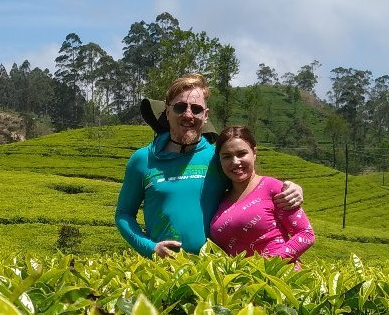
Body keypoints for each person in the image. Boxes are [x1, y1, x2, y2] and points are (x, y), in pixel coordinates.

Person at [115, 73, 303, 258]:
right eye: (180, 107)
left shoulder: (218, 157)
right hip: (163, 270)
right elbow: (124, 214)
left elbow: (253, 186)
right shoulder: (143, 159)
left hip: (214, 271)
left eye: (196, 109)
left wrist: (291, 188)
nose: (188, 114)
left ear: (205, 115)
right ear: (167, 111)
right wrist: (150, 248)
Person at [209, 125, 314, 262]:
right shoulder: (221, 198)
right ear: (220, 160)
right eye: (227, 156)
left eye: (241, 154)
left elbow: (306, 234)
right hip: (242, 280)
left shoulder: (273, 188)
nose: (235, 162)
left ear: (254, 153)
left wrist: (268, 264)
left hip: (278, 276)